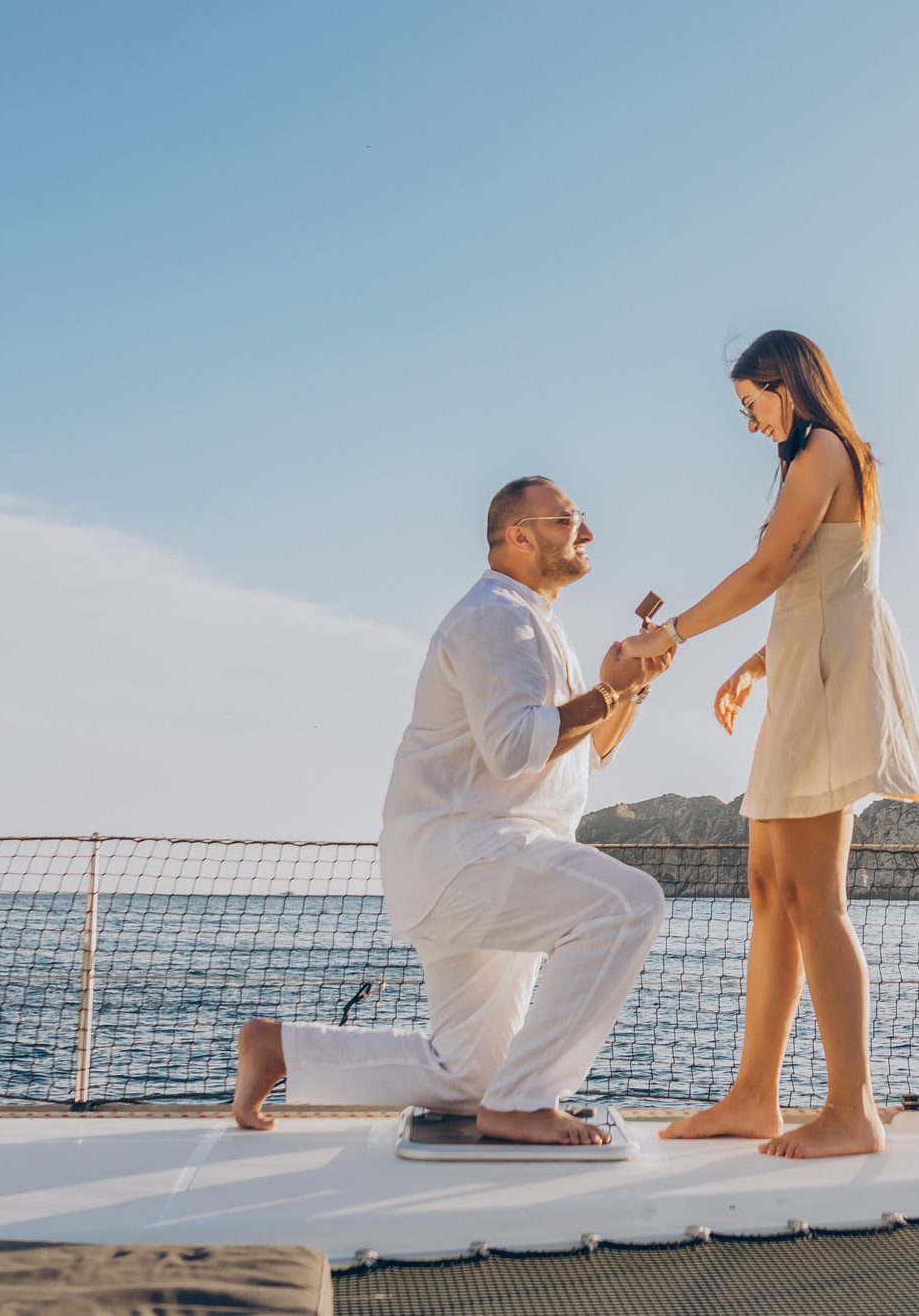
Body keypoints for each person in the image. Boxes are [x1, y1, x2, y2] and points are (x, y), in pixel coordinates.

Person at [231, 477, 671, 1144]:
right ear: (519, 536)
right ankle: (526, 1102)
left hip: (482, 858)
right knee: (628, 904)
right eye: (568, 520)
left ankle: (281, 1048)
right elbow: (515, 746)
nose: (586, 532)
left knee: (469, 1076)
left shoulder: (532, 621)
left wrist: (628, 691)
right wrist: (607, 692)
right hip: (471, 854)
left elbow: (583, 752)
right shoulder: (496, 616)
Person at [624, 330, 919, 1158]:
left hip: (823, 697)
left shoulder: (825, 450)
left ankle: (853, 1109)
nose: (749, 421)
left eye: (750, 402)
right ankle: (753, 1095)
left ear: (784, 382)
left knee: (814, 898)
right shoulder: (819, 459)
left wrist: (672, 633)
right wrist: (755, 664)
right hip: (799, 685)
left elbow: (771, 569)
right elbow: (821, 586)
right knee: (770, 889)